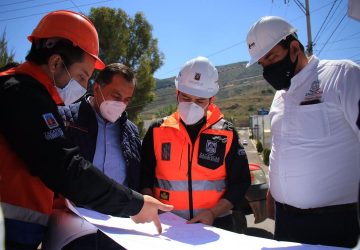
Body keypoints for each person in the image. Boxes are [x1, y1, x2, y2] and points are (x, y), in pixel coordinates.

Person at [0, 10, 172, 250]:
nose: (83, 87)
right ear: (56, 62)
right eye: (82, 77)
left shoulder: (27, 94)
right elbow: (66, 168)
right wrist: (136, 204)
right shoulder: (21, 94)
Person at [245, 16, 360, 248]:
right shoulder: (280, 96)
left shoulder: (342, 76)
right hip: (286, 221)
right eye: (262, 63)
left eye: (272, 57)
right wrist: (273, 192)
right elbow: (281, 146)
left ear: (294, 48)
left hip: (334, 221)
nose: (267, 67)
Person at [140, 56, 251, 232]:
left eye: (200, 101)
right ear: (177, 93)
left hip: (215, 225)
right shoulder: (157, 130)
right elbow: (143, 176)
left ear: (211, 100)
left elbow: (240, 182)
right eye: (186, 97)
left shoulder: (226, 133)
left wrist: (213, 213)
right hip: (167, 226)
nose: (192, 105)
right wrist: (150, 203)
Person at [44, 63, 142, 249]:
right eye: (116, 96)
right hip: (71, 229)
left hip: (118, 230)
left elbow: (136, 178)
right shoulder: (64, 119)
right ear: (97, 88)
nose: (121, 104)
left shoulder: (131, 131)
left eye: (127, 99)